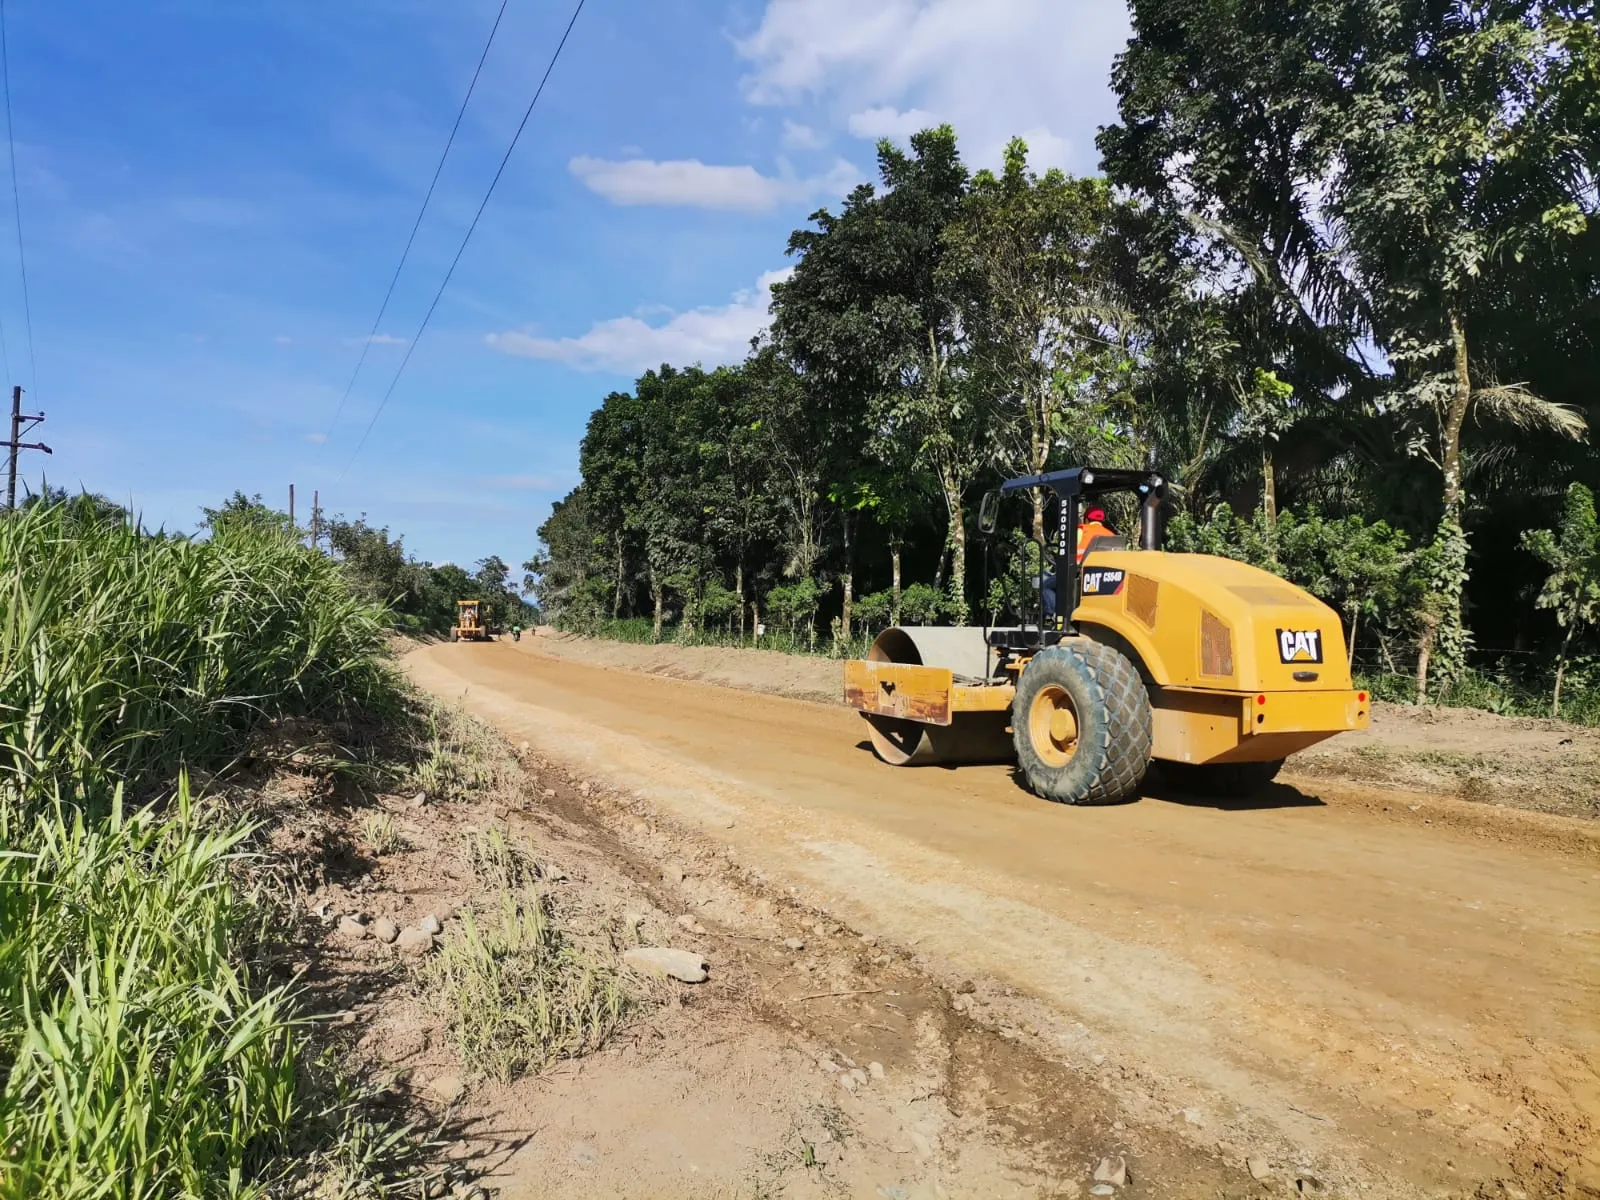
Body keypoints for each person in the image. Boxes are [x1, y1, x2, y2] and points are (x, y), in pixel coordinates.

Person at [1041, 506, 1119, 620]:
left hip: (1076, 573)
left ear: (1086, 519)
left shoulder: (1082, 530)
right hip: (1103, 577)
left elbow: (1067, 551)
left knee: (1046, 585)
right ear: (1103, 520)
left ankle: (1053, 615)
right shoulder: (1111, 535)